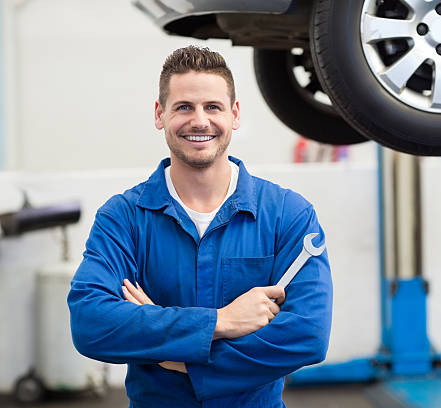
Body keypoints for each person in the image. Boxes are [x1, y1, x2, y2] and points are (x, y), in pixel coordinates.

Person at [67, 45, 333, 408]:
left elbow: (307, 336)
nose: (199, 121)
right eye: (183, 107)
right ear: (160, 115)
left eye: (212, 107)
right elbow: (91, 322)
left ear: (234, 114)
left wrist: (180, 360)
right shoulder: (123, 218)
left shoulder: (288, 214)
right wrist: (220, 322)